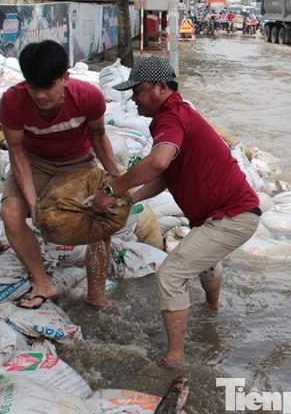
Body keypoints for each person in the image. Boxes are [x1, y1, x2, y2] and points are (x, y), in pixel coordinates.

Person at [92, 55, 260, 367]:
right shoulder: (178, 113)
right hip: (226, 213)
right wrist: (130, 199)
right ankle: (212, 311)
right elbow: (165, 175)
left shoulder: (171, 117)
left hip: (232, 215)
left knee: (170, 275)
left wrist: (112, 188)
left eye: (138, 91)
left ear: (160, 88)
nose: (134, 99)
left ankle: (174, 357)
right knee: (204, 260)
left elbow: (157, 162)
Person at [0, 40, 122, 310]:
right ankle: (42, 282)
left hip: (78, 162)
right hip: (35, 162)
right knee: (10, 213)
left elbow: (99, 137)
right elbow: (17, 153)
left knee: (102, 215)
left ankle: (96, 293)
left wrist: (118, 179)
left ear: (65, 77)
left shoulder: (88, 96)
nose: (40, 95)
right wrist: (34, 204)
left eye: (47, 87)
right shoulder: (12, 101)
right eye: (33, 87)